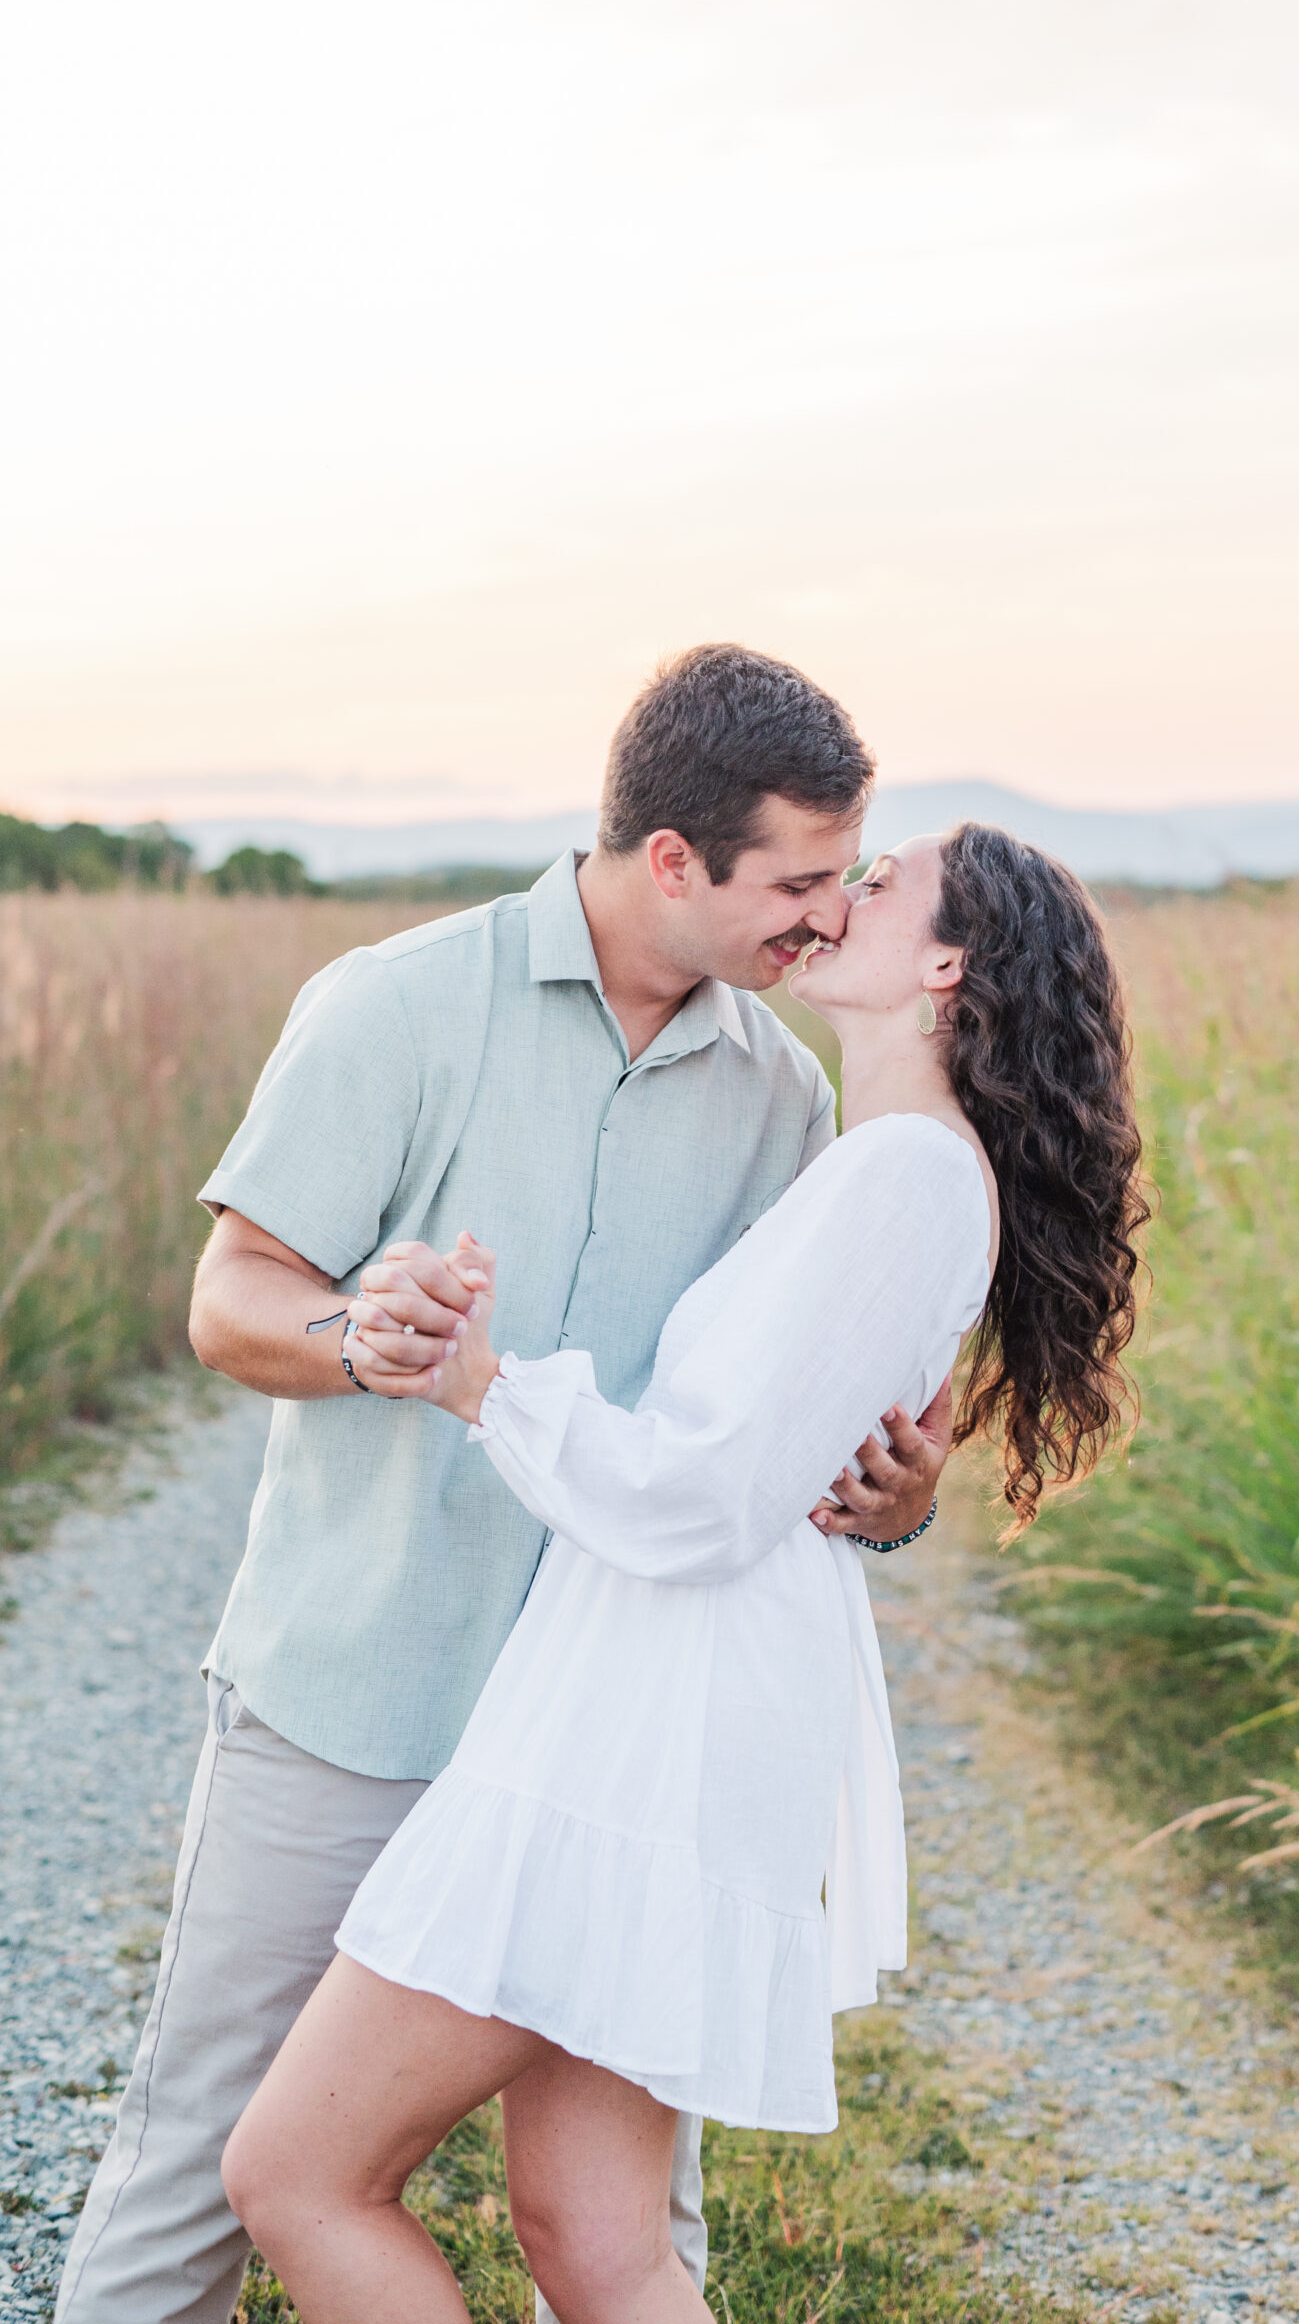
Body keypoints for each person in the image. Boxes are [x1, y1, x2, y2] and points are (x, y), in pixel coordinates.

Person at [55, 646, 956, 2324]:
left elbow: (775, 1436)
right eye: (802, 881)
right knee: (207, 2163)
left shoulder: (786, 1095)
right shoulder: (395, 1004)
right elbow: (233, 1297)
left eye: (851, 881)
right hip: (359, 1700)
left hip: (616, 1753)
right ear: (674, 859)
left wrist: (893, 1495)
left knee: (620, 2225)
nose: (832, 920)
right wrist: (362, 1332)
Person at [220, 822, 1146, 2324]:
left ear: (948, 967)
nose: (841, 900)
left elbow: (704, 1500)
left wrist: (482, 1384)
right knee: (596, 2242)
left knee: (299, 2175)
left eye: (881, 883)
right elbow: (775, 1470)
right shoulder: (881, 1165)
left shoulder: (905, 1174)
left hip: (650, 1725)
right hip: (668, 1699)